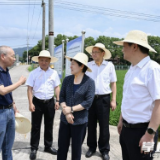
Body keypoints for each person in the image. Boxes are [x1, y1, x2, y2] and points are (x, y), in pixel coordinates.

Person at [114, 30, 160, 160]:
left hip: (144, 133)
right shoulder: (132, 69)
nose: (122, 50)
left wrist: (150, 135)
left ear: (134, 46)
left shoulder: (152, 69)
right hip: (126, 130)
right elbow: (128, 98)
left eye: (124, 46)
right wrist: (121, 119)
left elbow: (159, 103)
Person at [57, 52, 95, 160]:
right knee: (62, 148)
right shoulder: (67, 80)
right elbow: (62, 97)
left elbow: (88, 102)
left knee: (76, 150)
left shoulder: (89, 82)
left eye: (73, 64)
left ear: (81, 66)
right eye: (71, 63)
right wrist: (67, 112)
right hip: (65, 120)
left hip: (80, 121)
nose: (70, 66)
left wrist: (72, 109)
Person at [26, 50, 60, 160]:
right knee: (36, 126)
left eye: (46, 60)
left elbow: (57, 87)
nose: (44, 62)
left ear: (49, 61)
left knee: (49, 125)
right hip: (37, 102)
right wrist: (30, 103)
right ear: (38, 61)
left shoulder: (53, 73)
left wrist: (58, 100)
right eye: (41, 60)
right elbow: (30, 89)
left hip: (50, 102)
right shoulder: (33, 73)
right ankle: (34, 148)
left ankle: (48, 146)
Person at [85, 43, 117, 160]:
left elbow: (113, 83)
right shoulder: (88, 65)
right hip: (91, 99)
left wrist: (113, 100)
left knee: (104, 126)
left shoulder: (109, 66)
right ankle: (91, 148)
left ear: (103, 53)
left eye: (96, 52)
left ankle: (104, 150)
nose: (93, 54)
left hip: (104, 99)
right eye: (92, 52)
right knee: (91, 124)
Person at [0, 46, 26, 160]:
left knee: (8, 146)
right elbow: (2, 91)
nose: (14, 59)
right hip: (1, 113)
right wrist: (20, 82)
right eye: (12, 56)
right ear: (2, 56)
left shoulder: (6, 71)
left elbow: (8, 91)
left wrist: (14, 105)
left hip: (9, 111)